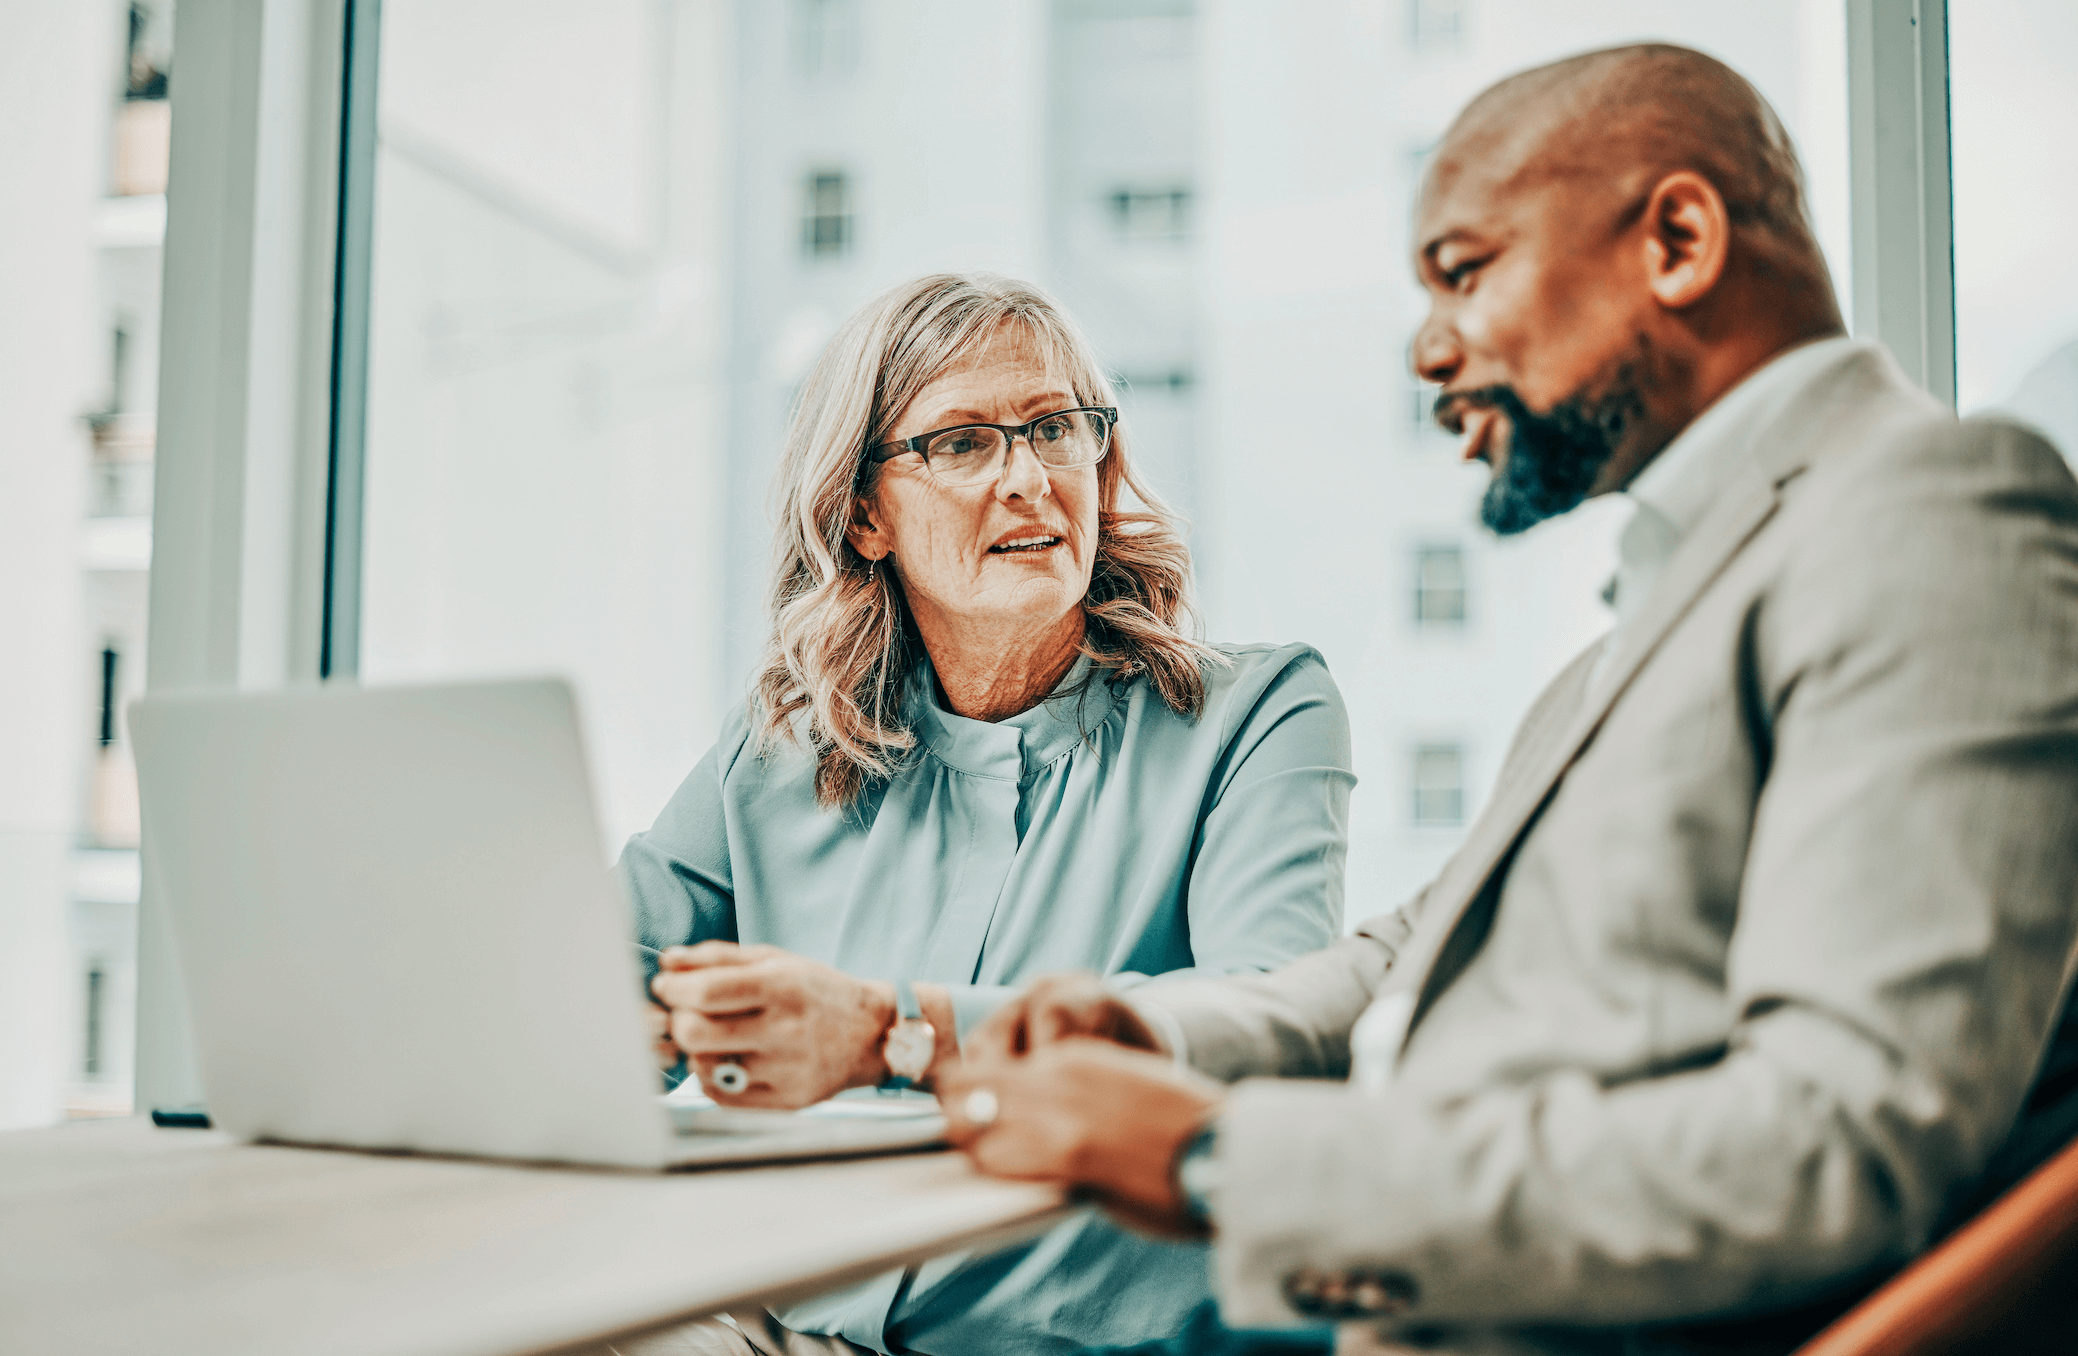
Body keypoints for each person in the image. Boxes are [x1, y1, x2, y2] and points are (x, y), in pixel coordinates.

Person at [939, 43, 2078, 1356]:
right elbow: (1401, 960)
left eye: (1463, 271)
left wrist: (1217, 1160)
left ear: (1678, 239)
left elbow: (1835, 1144)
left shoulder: (1930, 513)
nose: (1429, 349)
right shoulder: (1652, 618)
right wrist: (1146, 1027)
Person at [613, 272, 1356, 1356]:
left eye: (1055, 429)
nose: (1028, 479)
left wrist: (897, 1033)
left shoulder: (1255, 712)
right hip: (788, 1333)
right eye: (960, 443)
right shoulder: (781, 747)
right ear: (863, 513)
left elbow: (1266, 1020)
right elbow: (596, 982)